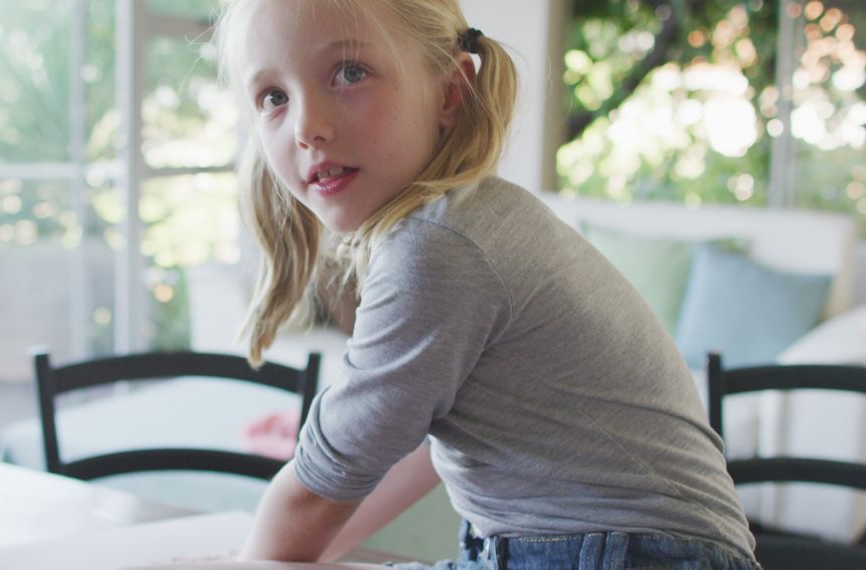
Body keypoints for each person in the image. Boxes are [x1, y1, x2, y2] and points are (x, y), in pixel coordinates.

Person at [213, 1, 760, 568]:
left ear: (450, 92)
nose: (306, 127)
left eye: (350, 73)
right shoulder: (473, 218)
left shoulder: (436, 248)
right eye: (274, 97)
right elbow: (401, 449)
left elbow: (320, 486)